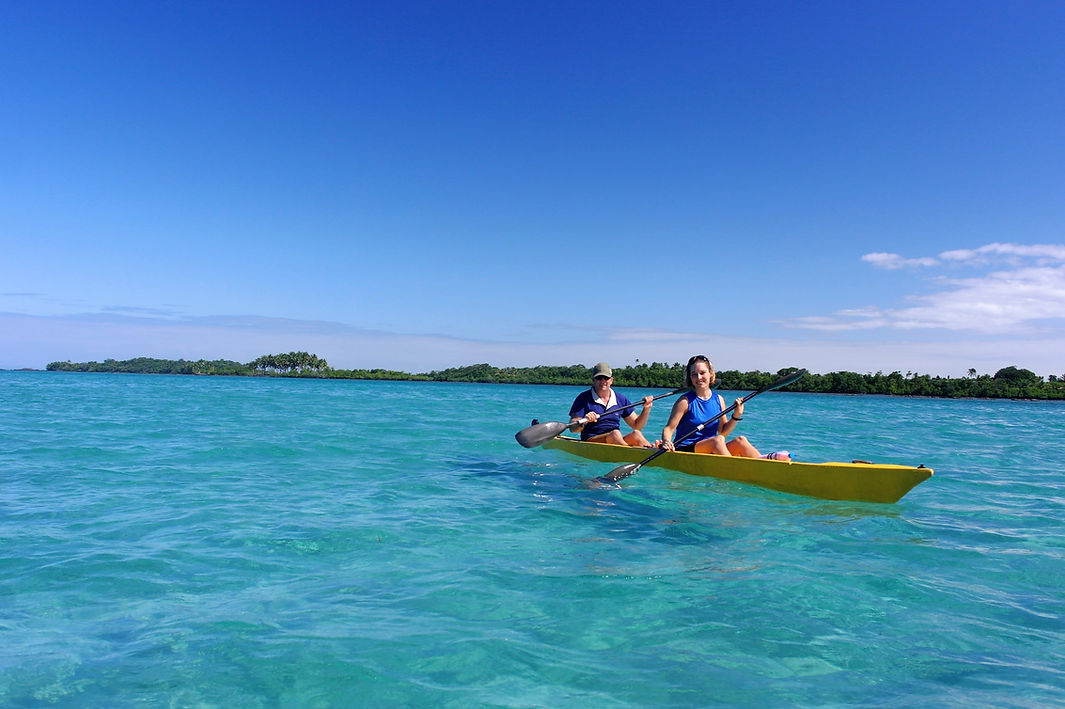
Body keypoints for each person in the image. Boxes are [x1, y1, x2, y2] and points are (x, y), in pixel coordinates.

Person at [659, 355, 790, 460]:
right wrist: (666, 441)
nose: (698, 377)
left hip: (711, 449)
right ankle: (735, 470)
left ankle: (764, 465)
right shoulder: (685, 401)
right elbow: (669, 429)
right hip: (685, 450)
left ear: (710, 374)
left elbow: (723, 431)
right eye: (694, 374)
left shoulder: (719, 399)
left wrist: (736, 415)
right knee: (718, 440)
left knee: (741, 440)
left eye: (702, 373)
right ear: (690, 377)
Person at [568, 362, 655, 447]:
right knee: (615, 433)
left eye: (606, 378)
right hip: (591, 440)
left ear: (611, 380)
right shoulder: (583, 398)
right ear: (593, 380)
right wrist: (585, 420)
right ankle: (630, 454)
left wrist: (646, 409)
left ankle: (651, 452)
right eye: (599, 378)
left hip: (615, 439)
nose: (602, 381)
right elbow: (573, 429)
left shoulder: (621, 399)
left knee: (636, 434)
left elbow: (637, 425)